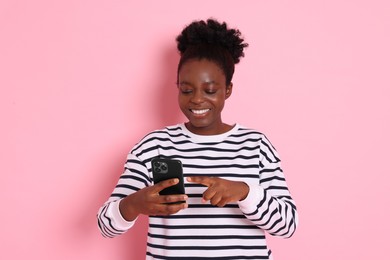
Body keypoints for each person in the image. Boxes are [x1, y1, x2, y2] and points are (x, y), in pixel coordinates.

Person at [97, 18, 298, 259]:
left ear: (228, 90)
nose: (197, 99)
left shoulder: (255, 146)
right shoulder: (153, 146)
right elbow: (105, 226)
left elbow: (287, 225)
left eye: (210, 90)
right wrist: (134, 204)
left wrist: (245, 192)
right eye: (186, 90)